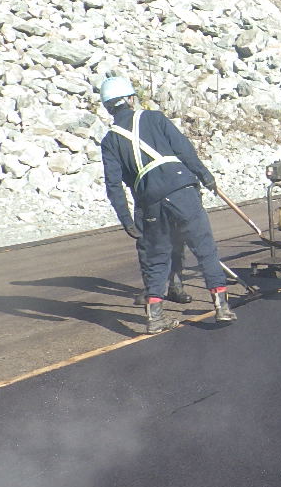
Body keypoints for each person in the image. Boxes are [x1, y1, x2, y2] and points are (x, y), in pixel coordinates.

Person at [99, 76, 236, 332]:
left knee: (157, 257)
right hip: (181, 190)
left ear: (108, 107)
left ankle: (154, 317)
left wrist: (126, 220)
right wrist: (205, 176)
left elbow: (114, 185)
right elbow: (184, 150)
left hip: (150, 202)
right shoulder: (154, 118)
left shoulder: (110, 140)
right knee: (204, 248)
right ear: (130, 99)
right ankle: (222, 306)